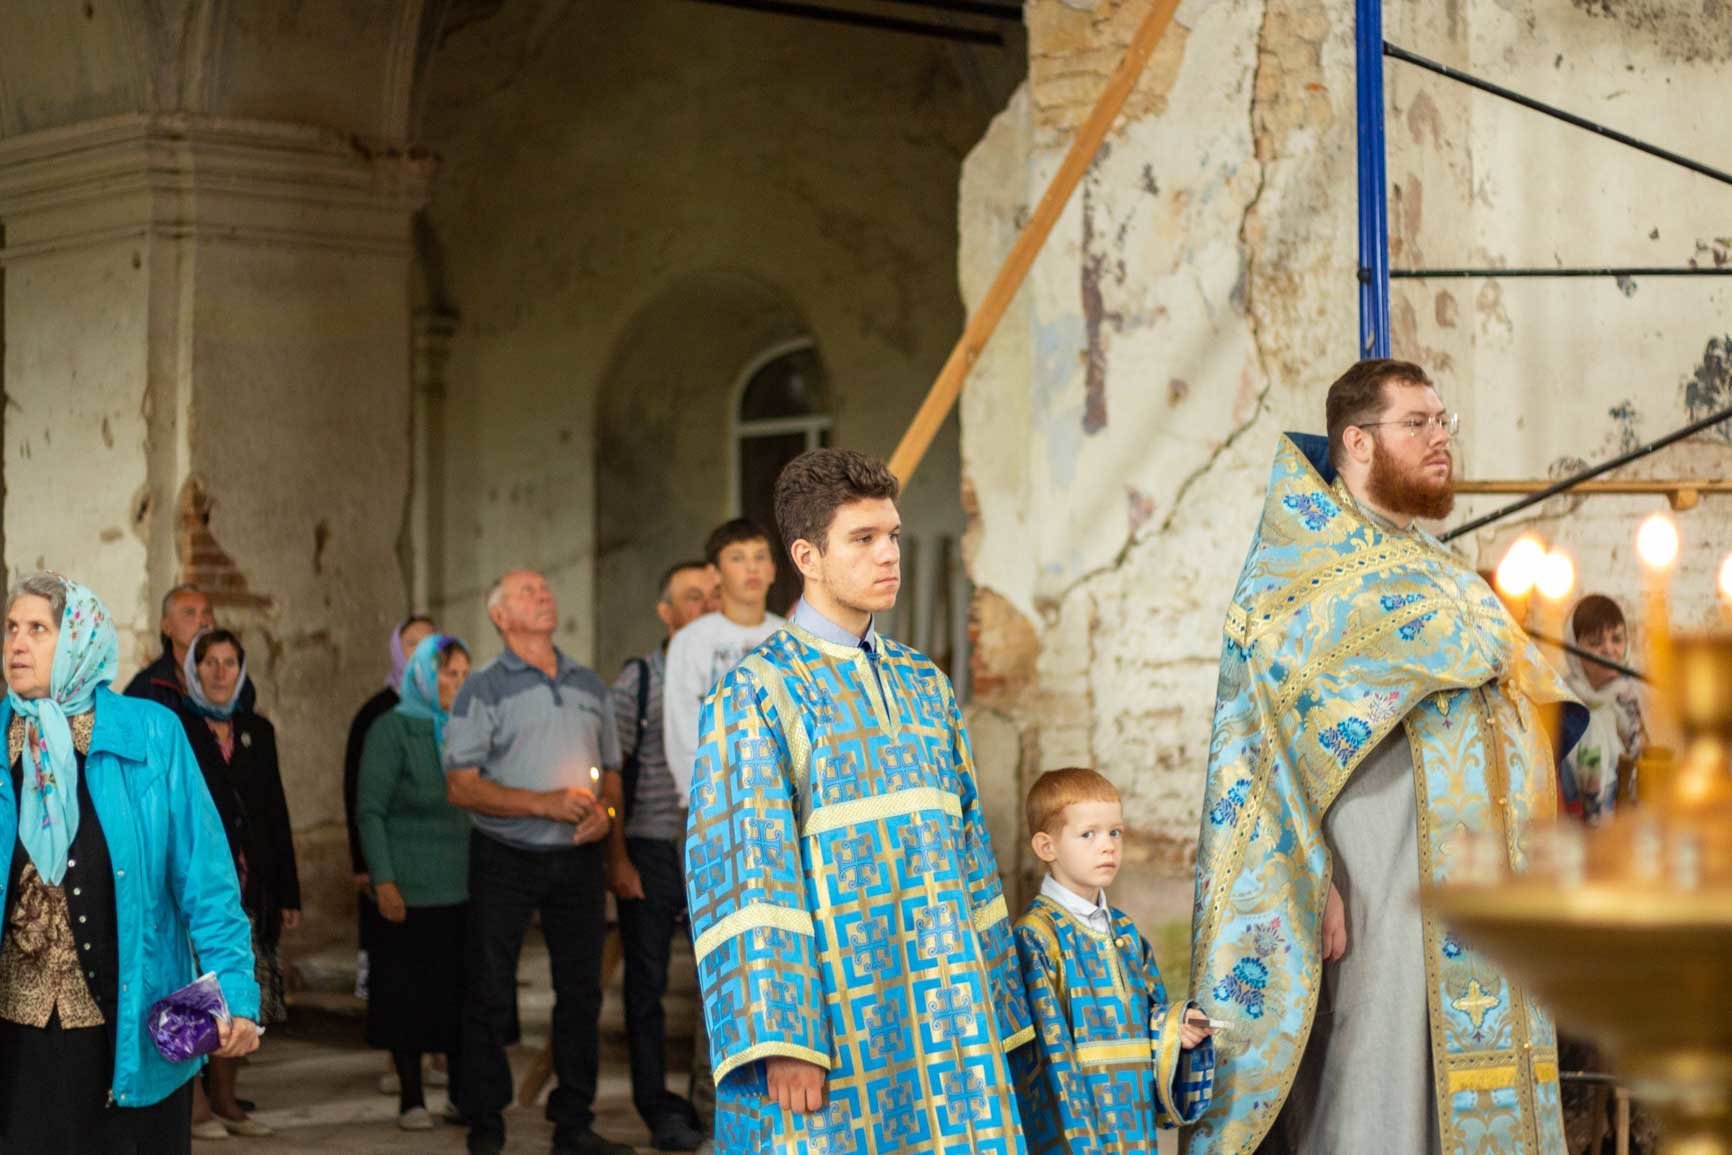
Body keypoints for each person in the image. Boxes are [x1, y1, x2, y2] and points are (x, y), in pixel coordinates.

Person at [1184, 359, 1586, 1155]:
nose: (1441, 438)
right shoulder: (1294, 582)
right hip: (1378, 881)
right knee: (1381, 1083)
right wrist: (1311, 877)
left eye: (1444, 421)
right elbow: (1258, 754)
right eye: (1417, 423)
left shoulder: (1444, 570)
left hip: (1483, 885)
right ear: (1357, 442)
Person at [684, 448, 1033, 1153]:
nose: (889, 554)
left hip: (948, 1015)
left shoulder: (926, 685)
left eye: (893, 535)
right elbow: (747, 875)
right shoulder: (756, 693)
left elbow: (972, 851)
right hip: (837, 1024)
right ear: (806, 556)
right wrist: (782, 1037)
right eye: (864, 538)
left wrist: (996, 1003)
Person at [0, 573, 260, 1154]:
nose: (17, 643)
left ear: (79, 639)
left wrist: (236, 992)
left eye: (37, 629)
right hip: (18, 1039)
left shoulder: (150, 733)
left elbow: (208, 881)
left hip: (132, 1028)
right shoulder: (2, 741)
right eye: (11, 628)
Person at [444, 569, 633, 1155]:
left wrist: (605, 816)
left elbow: (612, 773)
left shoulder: (588, 682)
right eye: (527, 591)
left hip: (578, 859)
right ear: (499, 616)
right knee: (489, 989)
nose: (544, 594)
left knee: (581, 993)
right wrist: (543, 803)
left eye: (545, 588)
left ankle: (573, 1120)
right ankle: (485, 1118)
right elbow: (461, 785)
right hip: (505, 856)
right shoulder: (482, 688)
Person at [1011, 768, 1214, 1151]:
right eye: (1088, 834)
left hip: (1134, 1122)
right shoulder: (1036, 936)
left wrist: (1177, 1031)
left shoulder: (1125, 932)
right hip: (1078, 1131)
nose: (1107, 846)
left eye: (1115, 832)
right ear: (1046, 847)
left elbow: (1149, 1018)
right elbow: (1048, 1056)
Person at [177, 628, 301, 1140]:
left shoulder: (257, 730)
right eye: (210, 662)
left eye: (230, 663)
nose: (220, 672)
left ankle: (226, 1099)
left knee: (236, 992)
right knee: (193, 991)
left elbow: (276, 811)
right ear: (194, 669)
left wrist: (288, 891)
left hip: (250, 886)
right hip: (195, 886)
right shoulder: (177, 727)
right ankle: (195, 1105)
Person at [608, 561, 715, 1152]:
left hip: (715, 846)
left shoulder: (729, 674)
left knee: (718, 980)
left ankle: (713, 1100)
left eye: (711, 597)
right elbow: (612, 773)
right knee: (646, 986)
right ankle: (656, 1106)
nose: (705, 607)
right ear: (666, 612)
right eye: (692, 597)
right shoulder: (641, 680)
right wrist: (617, 858)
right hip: (650, 847)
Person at [358, 633, 473, 1131]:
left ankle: (462, 1095)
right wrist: (384, 880)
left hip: (462, 884)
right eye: (449, 674)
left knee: (458, 995)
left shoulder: (469, 728)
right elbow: (370, 810)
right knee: (408, 996)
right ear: (424, 675)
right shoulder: (392, 729)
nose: (459, 684)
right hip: (409, 885)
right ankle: (411, 1098)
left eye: (465, 674)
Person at [342, 615, 436, 1096]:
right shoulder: (377, 712)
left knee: (438, 966)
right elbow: (358, 793)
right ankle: (396, 1058)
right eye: (412, 643)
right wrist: (365, 864)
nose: (421, 652)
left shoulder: (451, 705)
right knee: (396, 966)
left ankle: (436, 1051)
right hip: (390, 862)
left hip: (440, 867)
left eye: (430, 643)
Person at [661, 519, 784, 806]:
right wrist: (703, 799)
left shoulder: (792, 637)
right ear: (714, 574)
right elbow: (682, 731)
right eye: (737, 558)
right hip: (712, 803)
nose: (752, 568)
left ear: (773, 570)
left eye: (760, 557)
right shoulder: (691, 640)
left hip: (782, 800)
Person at [1559, 594, 1650, 825]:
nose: (1609, 649)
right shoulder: (1560, 703)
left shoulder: (1637, 699)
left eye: (1617, 639)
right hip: (1570, 836)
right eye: (1595, 642)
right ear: (1574, 651)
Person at [123, 585, 256, 714]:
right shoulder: (145, 689)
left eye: (207, 612)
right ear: (166, 626)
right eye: (190, 613)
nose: (203, 622)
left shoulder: (234, 681)